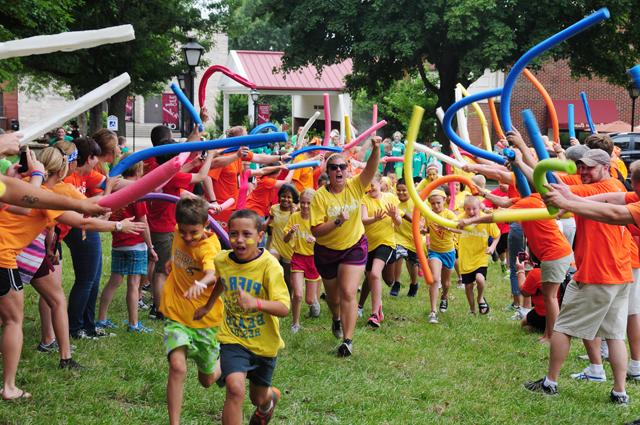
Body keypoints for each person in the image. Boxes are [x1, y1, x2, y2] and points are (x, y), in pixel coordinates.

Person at [525, 149, 633, 404]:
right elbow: (558, 190)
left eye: (589, 168)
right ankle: (620, 392)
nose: (584, 172)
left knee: (563, 328)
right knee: (615, 335)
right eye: (581, 167)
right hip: (619, 274)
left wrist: (521, 156)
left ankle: (550, 383)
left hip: (597, 274)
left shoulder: (603, 187)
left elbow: (555, 189)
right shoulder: (612, 187)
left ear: (606, 166)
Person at [194, 209, 290, 425]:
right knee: (235, 388)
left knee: (258, 397)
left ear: (259, 235)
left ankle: (269, 401)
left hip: (264, 344)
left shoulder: (269, 266)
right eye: (234, 234)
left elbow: (284, 307)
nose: (239, 240)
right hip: (233, 338)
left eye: (246, 234)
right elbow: (222, 280)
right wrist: (209, 306)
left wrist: (255, 302)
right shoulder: (223, 260)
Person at [310, 136, 380, 356]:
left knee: (349, 292)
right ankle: (336, 318)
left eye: (343, 167)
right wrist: (338, 221)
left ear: (348, 170)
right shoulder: (319, 197)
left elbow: (370, 169)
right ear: (328, 172)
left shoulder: (356, 186)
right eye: (334, 168)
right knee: (333, 298)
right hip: (327, 251)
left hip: (354, 246)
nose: (339, 171)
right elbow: (316, 230)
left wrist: (376, 149)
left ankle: (348, 341)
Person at [157, 197, 223, 425]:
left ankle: (223, 362)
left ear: (206, 224)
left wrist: (202, 283)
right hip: (176, 312)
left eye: (193, 232)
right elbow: (178, 246)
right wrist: (172, 262)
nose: (187, 237)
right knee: (177, 366)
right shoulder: (179, 230)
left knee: (207, 380)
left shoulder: (210, 247)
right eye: (183, 231)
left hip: (205, 319)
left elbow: (213, 272)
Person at [96, 159, 158, 333]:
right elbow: (143, 222)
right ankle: (134, 324)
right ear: (139, 171)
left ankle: (101, 319)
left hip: (118, 244)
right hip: (135, 245)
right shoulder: (136, 193)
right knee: (134, 284)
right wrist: (151, 246)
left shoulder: (116, 191)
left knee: (114, 281)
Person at [360, 174, 401, 328]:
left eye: (372, 185)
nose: (370, 188)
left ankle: (375, 313)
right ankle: (379, 309)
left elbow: (399, 223)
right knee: (372, 277)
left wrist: (394, 216)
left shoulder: (390, 198)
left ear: (379, 183)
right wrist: (374, 219)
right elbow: (363, 219)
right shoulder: (364, 200)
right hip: (369, 244)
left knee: (375, 274)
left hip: (386, 242)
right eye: (367, 186)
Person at [283, 189, 321, 332]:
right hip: (298, 257)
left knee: (309, 299)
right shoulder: (294, 217)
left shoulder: (318, 218)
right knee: (298, 294)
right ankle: (295, 323)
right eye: (303, 203)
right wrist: (291, 232)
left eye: (309, 203)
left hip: (313, 259)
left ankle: (314, 303)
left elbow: (328, 240)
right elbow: (285, 240)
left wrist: (316, 240)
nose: (305, 206)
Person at [456, 196, 499, 315]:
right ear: (464, 209)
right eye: (468, 209)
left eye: (474, 209)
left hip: (480, 256)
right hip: (466, 257)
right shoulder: (461, 218)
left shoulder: (486, 219)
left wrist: (492, 247)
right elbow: (455, 228)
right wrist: (445, 227)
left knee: (480, 279)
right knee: (468, 286)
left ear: (480, 207)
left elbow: (497, 235)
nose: (471, 212)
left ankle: (480, 298)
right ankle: (472, 309)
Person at [425, 189, 460, 324]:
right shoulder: (428, 214)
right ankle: (433, 311)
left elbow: (459, 229)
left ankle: (444, 297)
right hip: (434, 252)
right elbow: (428, 228)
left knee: (446, 283)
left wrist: (447, 228)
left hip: (449, 252)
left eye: (438, 203)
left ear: (444, 201)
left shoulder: (449, 215)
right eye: (433, 203)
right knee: (434, 279)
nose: (436, 206)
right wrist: (424, 230)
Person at [390, 178, 421, 297]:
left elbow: (424, 216)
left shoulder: (416, 201)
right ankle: (396, 283)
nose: (401, 193)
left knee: (412, 264)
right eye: (398, 190)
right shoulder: (394, 201)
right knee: (398, 254)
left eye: (404, 190)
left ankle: (414, 284)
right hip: (398, 235)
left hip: (413, 237)